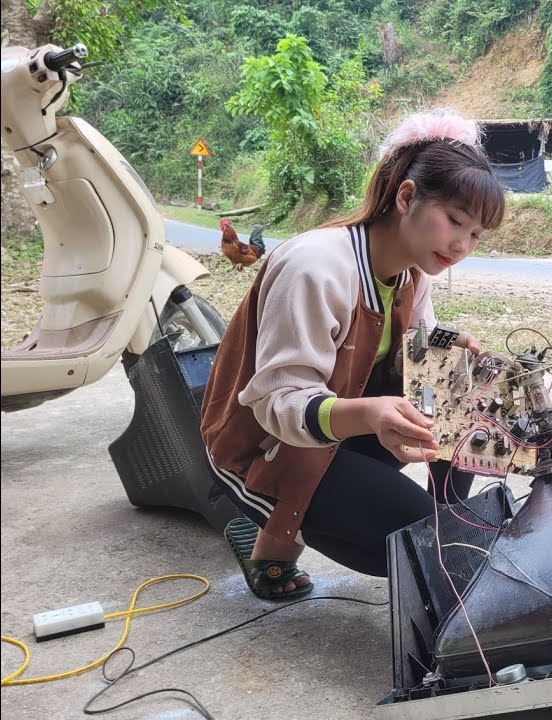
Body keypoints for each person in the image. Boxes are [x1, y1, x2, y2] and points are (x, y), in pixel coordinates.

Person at [200, 109, 505, 600]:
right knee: (422, 547)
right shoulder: (315, 267)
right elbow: (279, 402)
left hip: (339, 423)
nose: (462, 244)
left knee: (464, 397)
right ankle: (276, 528)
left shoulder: (412, 273)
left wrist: (447, 350)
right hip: (264, 443)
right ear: (406, 197)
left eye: (475, 235)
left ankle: (436, 527)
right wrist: (372, 412)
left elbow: (410, 353)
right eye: (454, 220)